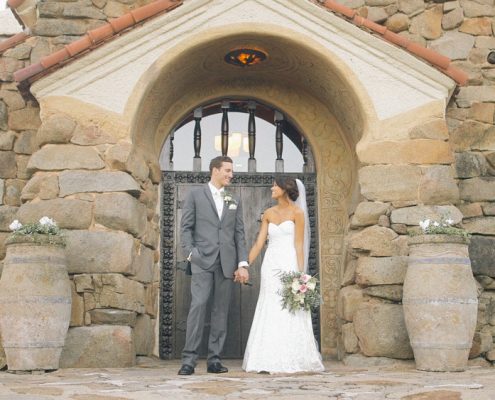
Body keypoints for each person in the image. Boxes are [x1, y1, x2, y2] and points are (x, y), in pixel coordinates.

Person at [242, 176, 324, 374]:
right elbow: (259, 242)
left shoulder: (298, 213)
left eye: (275, 185)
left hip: (289, 264)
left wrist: (300, 274)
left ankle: (294, 356)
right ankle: (266, 357)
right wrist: (244, 264)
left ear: (285, 189)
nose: (272, 188)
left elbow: (298, 244)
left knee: (289, 308)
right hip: (270, 265)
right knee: (270, 304)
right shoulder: (269, 213)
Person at [178, 156, 249, 376]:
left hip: (227, 263)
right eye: (227, 170)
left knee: (221, 311)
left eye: (231, 171)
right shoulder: (195, 195)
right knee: (198, 307)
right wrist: (191, 253)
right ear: (214, 170)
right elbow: (186, 227)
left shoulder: (233, 199)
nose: (231, 174)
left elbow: (239, 234)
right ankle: (189, 361)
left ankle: (214, 360)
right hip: (202, 261)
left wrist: (242, 263)